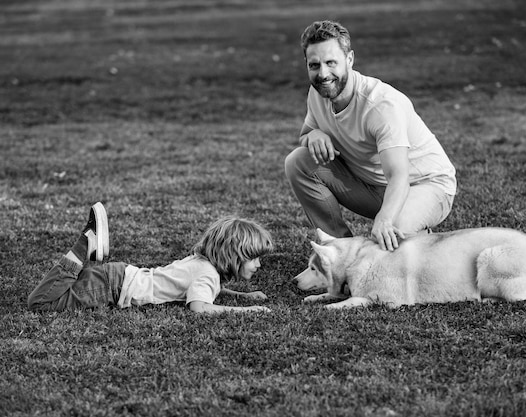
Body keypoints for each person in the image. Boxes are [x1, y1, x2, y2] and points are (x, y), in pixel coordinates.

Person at [285, 20, 457, 251]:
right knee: (298, 161)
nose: (323, 74)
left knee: (392, 230)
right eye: (314, 65)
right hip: (374, 186)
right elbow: (305, 134)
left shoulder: (381, 105)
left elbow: (398, 176)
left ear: (349, 59)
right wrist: (313, 134)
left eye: (331, 63)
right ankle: (339, 252)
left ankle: (417, 236)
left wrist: (385, 219)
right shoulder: (318, 93)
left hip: (425, 185)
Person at [28, 202, 273, 314]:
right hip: (111, 289)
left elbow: (206, 291)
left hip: (118, 277)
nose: (258, 265)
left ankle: (87, 247)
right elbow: (199, 307)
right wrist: (248, 309)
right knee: (40, 303)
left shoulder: (203, 265)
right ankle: (84, 244)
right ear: (234, 254)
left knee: (59, 290)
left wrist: (242, 296)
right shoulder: (207, 274)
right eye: (253, 258)